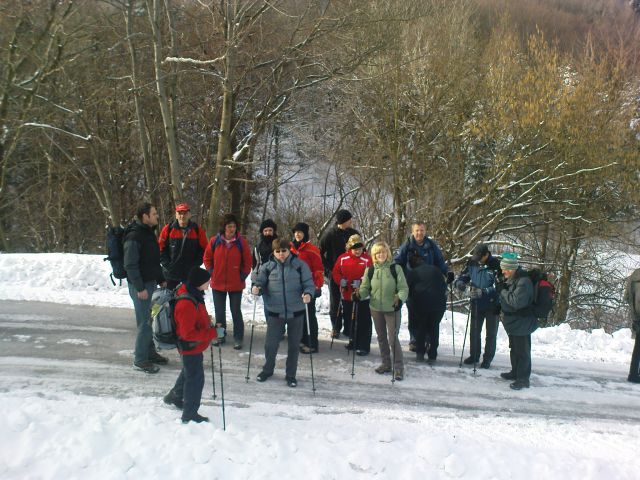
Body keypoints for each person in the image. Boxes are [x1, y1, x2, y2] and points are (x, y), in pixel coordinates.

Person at [252, 238, 315, 387]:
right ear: (274, 252)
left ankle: (290, 375)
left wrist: (308, 293)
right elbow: (259, 282)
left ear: (289, 250)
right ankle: (267, 370)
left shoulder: (300, 266)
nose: (281, 254)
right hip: (275, 312)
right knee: (271, 345)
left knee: (294, 346)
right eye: (278, 251)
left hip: (296, 312)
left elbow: (309, 284)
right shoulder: (267, 267)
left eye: (284, 251)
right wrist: (257, 288)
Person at [163, 267, 219, 423]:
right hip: (189, 346)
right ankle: (190, 414)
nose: (210, 283)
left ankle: (173, 397)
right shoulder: (186, 303)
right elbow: (188, 334)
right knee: (195, 379)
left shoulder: (193, 294)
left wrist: (209, 323)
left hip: (192, 347)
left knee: (189, 372)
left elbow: (195, 319)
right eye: (207, 281)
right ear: (199, 283)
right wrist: (213, 333)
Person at [394, 222, 454, 352]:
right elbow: (398, 262)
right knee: (414, 314)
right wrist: (395, 275)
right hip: (413, 285)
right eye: (417, 230)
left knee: (429, 316)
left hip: (430, 286)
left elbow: (440, 262)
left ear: (425, 231)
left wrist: (447, 272)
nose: (419, 233)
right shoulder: (407, 246)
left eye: (421, 230)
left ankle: (427, 340)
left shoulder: (431, 246)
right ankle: (415, 341)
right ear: (412, 231)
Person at [123, 202, 167, 374]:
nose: (157, 216)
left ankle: (149, 353)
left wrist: (161, 278)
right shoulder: (134, 236)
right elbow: (130, 265)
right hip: (140, 286)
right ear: (145, 216)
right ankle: (140, 360)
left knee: (149, 321)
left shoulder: (148, 233)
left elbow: (153, 261)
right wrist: (140, 288)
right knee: (144, 323)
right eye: (154, 213)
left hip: (149, 283)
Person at [358, 241, 409, 380]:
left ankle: (398, 368)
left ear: (388, 253)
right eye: (378, 252)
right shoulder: (370, 270)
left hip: (392, 309)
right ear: (374, 255)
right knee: (381, 338)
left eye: (383, 252)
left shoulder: (395, 268)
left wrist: (399, 299)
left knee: (392, 339)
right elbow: (365, 288)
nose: (381, 254)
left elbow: (404, 288)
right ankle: (386, 363)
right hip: (375, 308)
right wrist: (359, 294)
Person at [203, 213, 252, 350]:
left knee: (235, 311)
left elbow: (248, 262)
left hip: (236, 284)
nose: (232, 229)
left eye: (234, 226)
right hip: (218, 283)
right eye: (229, 226)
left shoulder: (241, 242)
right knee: (219, 312)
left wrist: (242, 275)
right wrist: (212, 272)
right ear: (224, 227)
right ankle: (220, 335)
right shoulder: (214, 241)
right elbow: (207, 258)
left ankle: (238, 337)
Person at [455, 243, 502, 369]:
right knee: (474, 331)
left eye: (480, 257)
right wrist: (460, 283)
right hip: (476, 301)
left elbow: (499, 286)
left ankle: (487, 359)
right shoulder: (472, 263)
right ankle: (474, 355)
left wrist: (484, 291)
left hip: (492, 303)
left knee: (491, 333)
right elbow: (464, 276)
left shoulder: (496, 265)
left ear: (486, 254)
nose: (478, 260)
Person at [496, 252, 538, 390]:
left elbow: (516, 302)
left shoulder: (523, 282)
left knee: (522, 351)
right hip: (514, 322)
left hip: (522, 322)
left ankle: (523, 379)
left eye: (505, 268)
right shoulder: (513, 279)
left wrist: (502, 291)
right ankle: (515, 372)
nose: (503, 271)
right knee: (514, 349)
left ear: (512, 268)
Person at [319, 209, 359, 339]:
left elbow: (361, 250)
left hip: (351, 273)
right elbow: (320, 253)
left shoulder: (353, 233)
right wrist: (328, 270)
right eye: (348, 220)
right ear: (342, 221)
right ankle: (336, 327)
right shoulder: (330, 234)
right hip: (335, 273)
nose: (351, 221)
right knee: (335, 301)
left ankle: (349, 327)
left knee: (349, 301)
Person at [332, 234, 373, 355]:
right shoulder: (343, 258)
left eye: (360, 247)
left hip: (363, 296)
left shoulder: (367, 259)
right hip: (347, 294)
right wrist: (340, 280)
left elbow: (371, 275)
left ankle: (364, 345)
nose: (357, 250)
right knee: (350, 318)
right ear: (349, 247)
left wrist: (361, 281)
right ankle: (353, 341)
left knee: (363, 320)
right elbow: (336, 272)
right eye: (355, 248)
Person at [405, 253, 447, 364]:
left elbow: (406, 289)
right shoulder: (436, 270)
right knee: (434, 328)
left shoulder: (413, 273)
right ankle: (432, 354)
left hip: (421, 304)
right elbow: (444, 286)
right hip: (439, 305)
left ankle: (420, 352)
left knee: (421, 328)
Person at [290, 222, 324, 354]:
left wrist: (316, 285)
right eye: (296, 232)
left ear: (305, 234)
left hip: (308, 287)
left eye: (300, 232)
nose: (297, 234)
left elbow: (318, 269)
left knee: (309, 314)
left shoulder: (312, 249)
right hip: (294, 287)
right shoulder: (290, 248)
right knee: (298, 315)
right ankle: (300, 339)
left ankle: (311, 343)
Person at [158, 202, 208, 290]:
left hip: (190, 275)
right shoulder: (168, 229)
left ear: (189, 215)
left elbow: (204, 250)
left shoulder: (197, 230)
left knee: (189, 301)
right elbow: (160, 249)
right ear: (176, 215)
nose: (182, 216)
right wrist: (168, 265)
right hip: (171, 275)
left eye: (185, 213)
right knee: (171, 301)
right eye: (179, 213)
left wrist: (195, 266)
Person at [625, 268, 640, 383]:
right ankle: (634, 374)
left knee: (638, 347)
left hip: (636, 315)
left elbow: (626, 297)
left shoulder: (634, 275)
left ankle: (633, 373)